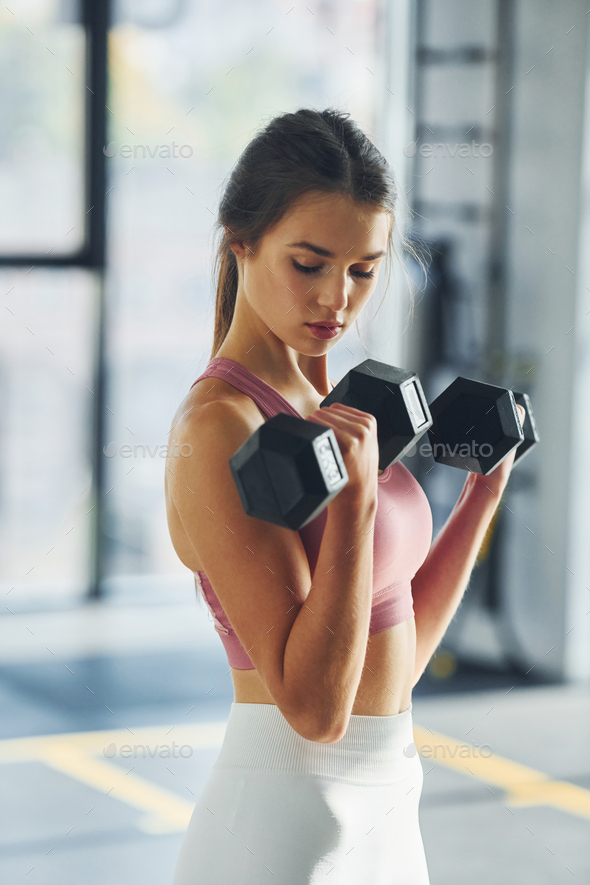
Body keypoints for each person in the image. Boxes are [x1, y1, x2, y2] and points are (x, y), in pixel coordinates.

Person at [165, 107, 525, 885]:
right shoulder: (219, 426)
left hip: (391, 793)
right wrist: (358, 503)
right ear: (242, 240)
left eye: (364, 269)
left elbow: (396, 652)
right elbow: (315, 710)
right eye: (309, 262)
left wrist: (480, 499)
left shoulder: (331, 396)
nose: (338, 298)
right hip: (284, 817)